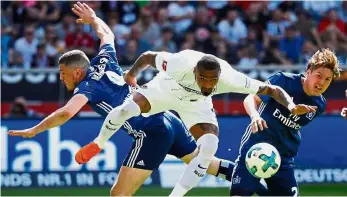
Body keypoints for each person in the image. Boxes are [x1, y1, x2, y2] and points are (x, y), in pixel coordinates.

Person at [7, 2, 235, 196]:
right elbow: (107, 35)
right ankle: (249, 177)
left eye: (63, 74)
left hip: (149, 132)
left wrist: (34, 131)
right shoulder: (105, 60)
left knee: (119, 193)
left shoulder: (87, 87)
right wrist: (94, 19)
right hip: (166, 118)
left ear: (77, 72)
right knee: (206, 163)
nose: (61, 78)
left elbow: (66, 113)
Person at [77, 32, 317, 197]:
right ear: (195, 71)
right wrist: (132, 75)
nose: (209, 83)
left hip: (197, 103)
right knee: (125, 110)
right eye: (204, 79)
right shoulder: (180, 62)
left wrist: (292, 105)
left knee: (210, 146)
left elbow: (272, 89)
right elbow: (149, 56)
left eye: (213, 81)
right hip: (167, 89)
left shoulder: (229, 78)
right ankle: (98, 143)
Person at [230, 48, 341, 196]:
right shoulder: (283, 80)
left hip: (283, 159)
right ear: (308, 72)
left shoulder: (320, 105)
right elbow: (251, 98)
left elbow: (291, 127)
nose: (322, 82)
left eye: (327, 79)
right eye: (319, 76)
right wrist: (255, 116)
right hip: (256, 149)